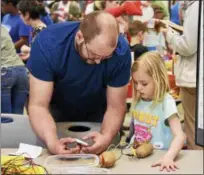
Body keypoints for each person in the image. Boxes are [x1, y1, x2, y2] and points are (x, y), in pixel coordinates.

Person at [27, 11, 131, 155]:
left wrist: (106, 137)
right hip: (53, 120)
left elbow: (116, 107)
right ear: (79, 37)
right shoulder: (48, 43)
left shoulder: (121, 51)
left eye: (106, 57)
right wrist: (52, 142)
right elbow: (38, 105)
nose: (98, 61)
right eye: (93, 54)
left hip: (100, 119)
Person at [129, 52, 186, 172]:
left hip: (161, 161)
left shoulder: (166, 101)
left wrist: (168, 157)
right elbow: (138, 132)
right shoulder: (139, 101)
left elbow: (180, 136)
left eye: (144, 83)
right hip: (140, 160)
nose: (138, 88)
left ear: (158, 80)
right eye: (135, 83)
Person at [164, 1, 202, 150]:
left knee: (193, 128)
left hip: (193, 78)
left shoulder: (196, 7)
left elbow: (188, 46)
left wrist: (170, 36)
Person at [1, 26, 29, 114]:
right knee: (18, 115)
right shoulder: (2, 28)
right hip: (21, 70)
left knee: (5, 117)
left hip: (4, 72)